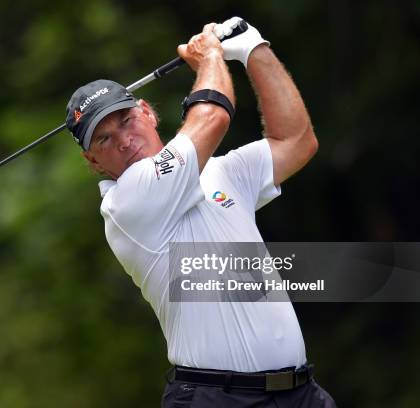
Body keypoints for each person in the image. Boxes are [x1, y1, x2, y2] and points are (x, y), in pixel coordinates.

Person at [65, 17, 336, 407]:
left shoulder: (220, 171)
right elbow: (213, 116)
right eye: (104, 139)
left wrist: (254, 51)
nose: (124, 141)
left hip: (301, 393)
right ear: (93, 160)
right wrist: (211, 56)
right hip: (215, 398)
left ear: (147, 112)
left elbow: (297, 140)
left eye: (126, 121)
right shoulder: (127, 204)